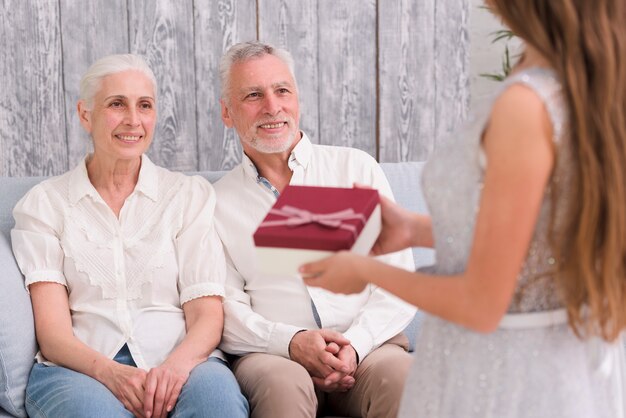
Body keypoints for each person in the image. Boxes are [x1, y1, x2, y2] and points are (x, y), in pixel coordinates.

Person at [301, 1, 626, 417]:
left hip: (507, 372)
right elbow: (537, 233)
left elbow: (481, 303)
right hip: (545, 364)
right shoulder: (568, 82)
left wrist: (364, 270)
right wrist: (417, 230)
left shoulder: (525, 104)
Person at [11, 54, 249, 418]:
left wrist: (172, 370)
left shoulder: (187, 196)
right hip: (79, 369)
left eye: (145, 105)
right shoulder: (44, 205)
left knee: (218, 404)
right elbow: (53, 334)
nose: (133, 120)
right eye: (116, 104)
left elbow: (206, 315)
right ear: (85, 114)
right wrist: (111, 373)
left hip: (182, 361)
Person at [213, 41, 417, 418]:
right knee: (281, 388)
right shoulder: (216, 202)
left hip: (369, 348)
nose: (272, 107)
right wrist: (291, 342)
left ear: (297, 98)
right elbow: (225, 309)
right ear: (227, 112)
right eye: (253, 95)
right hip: (274, 357)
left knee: (404, 380)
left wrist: (354, 345)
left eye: (282, 91)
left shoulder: (354, 170)